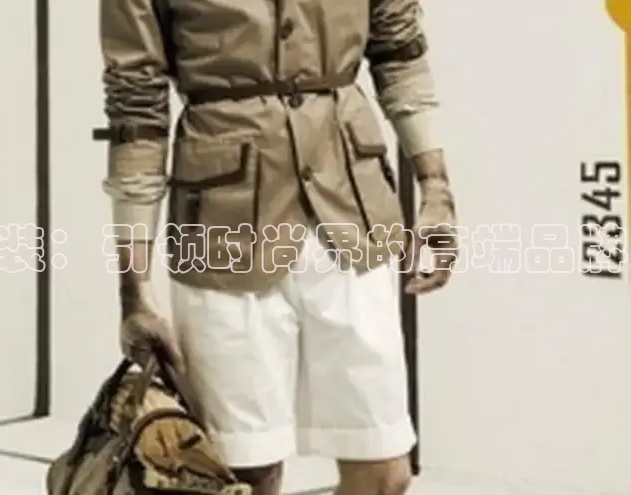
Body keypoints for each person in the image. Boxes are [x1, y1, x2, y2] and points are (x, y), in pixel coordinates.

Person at [99, 0, 458, 494]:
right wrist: (134, 289)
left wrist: (436, 187)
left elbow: (399, 49)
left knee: (385, 472)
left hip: (351, 213)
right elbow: (136, 106)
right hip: (223, 230)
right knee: (245, 473)